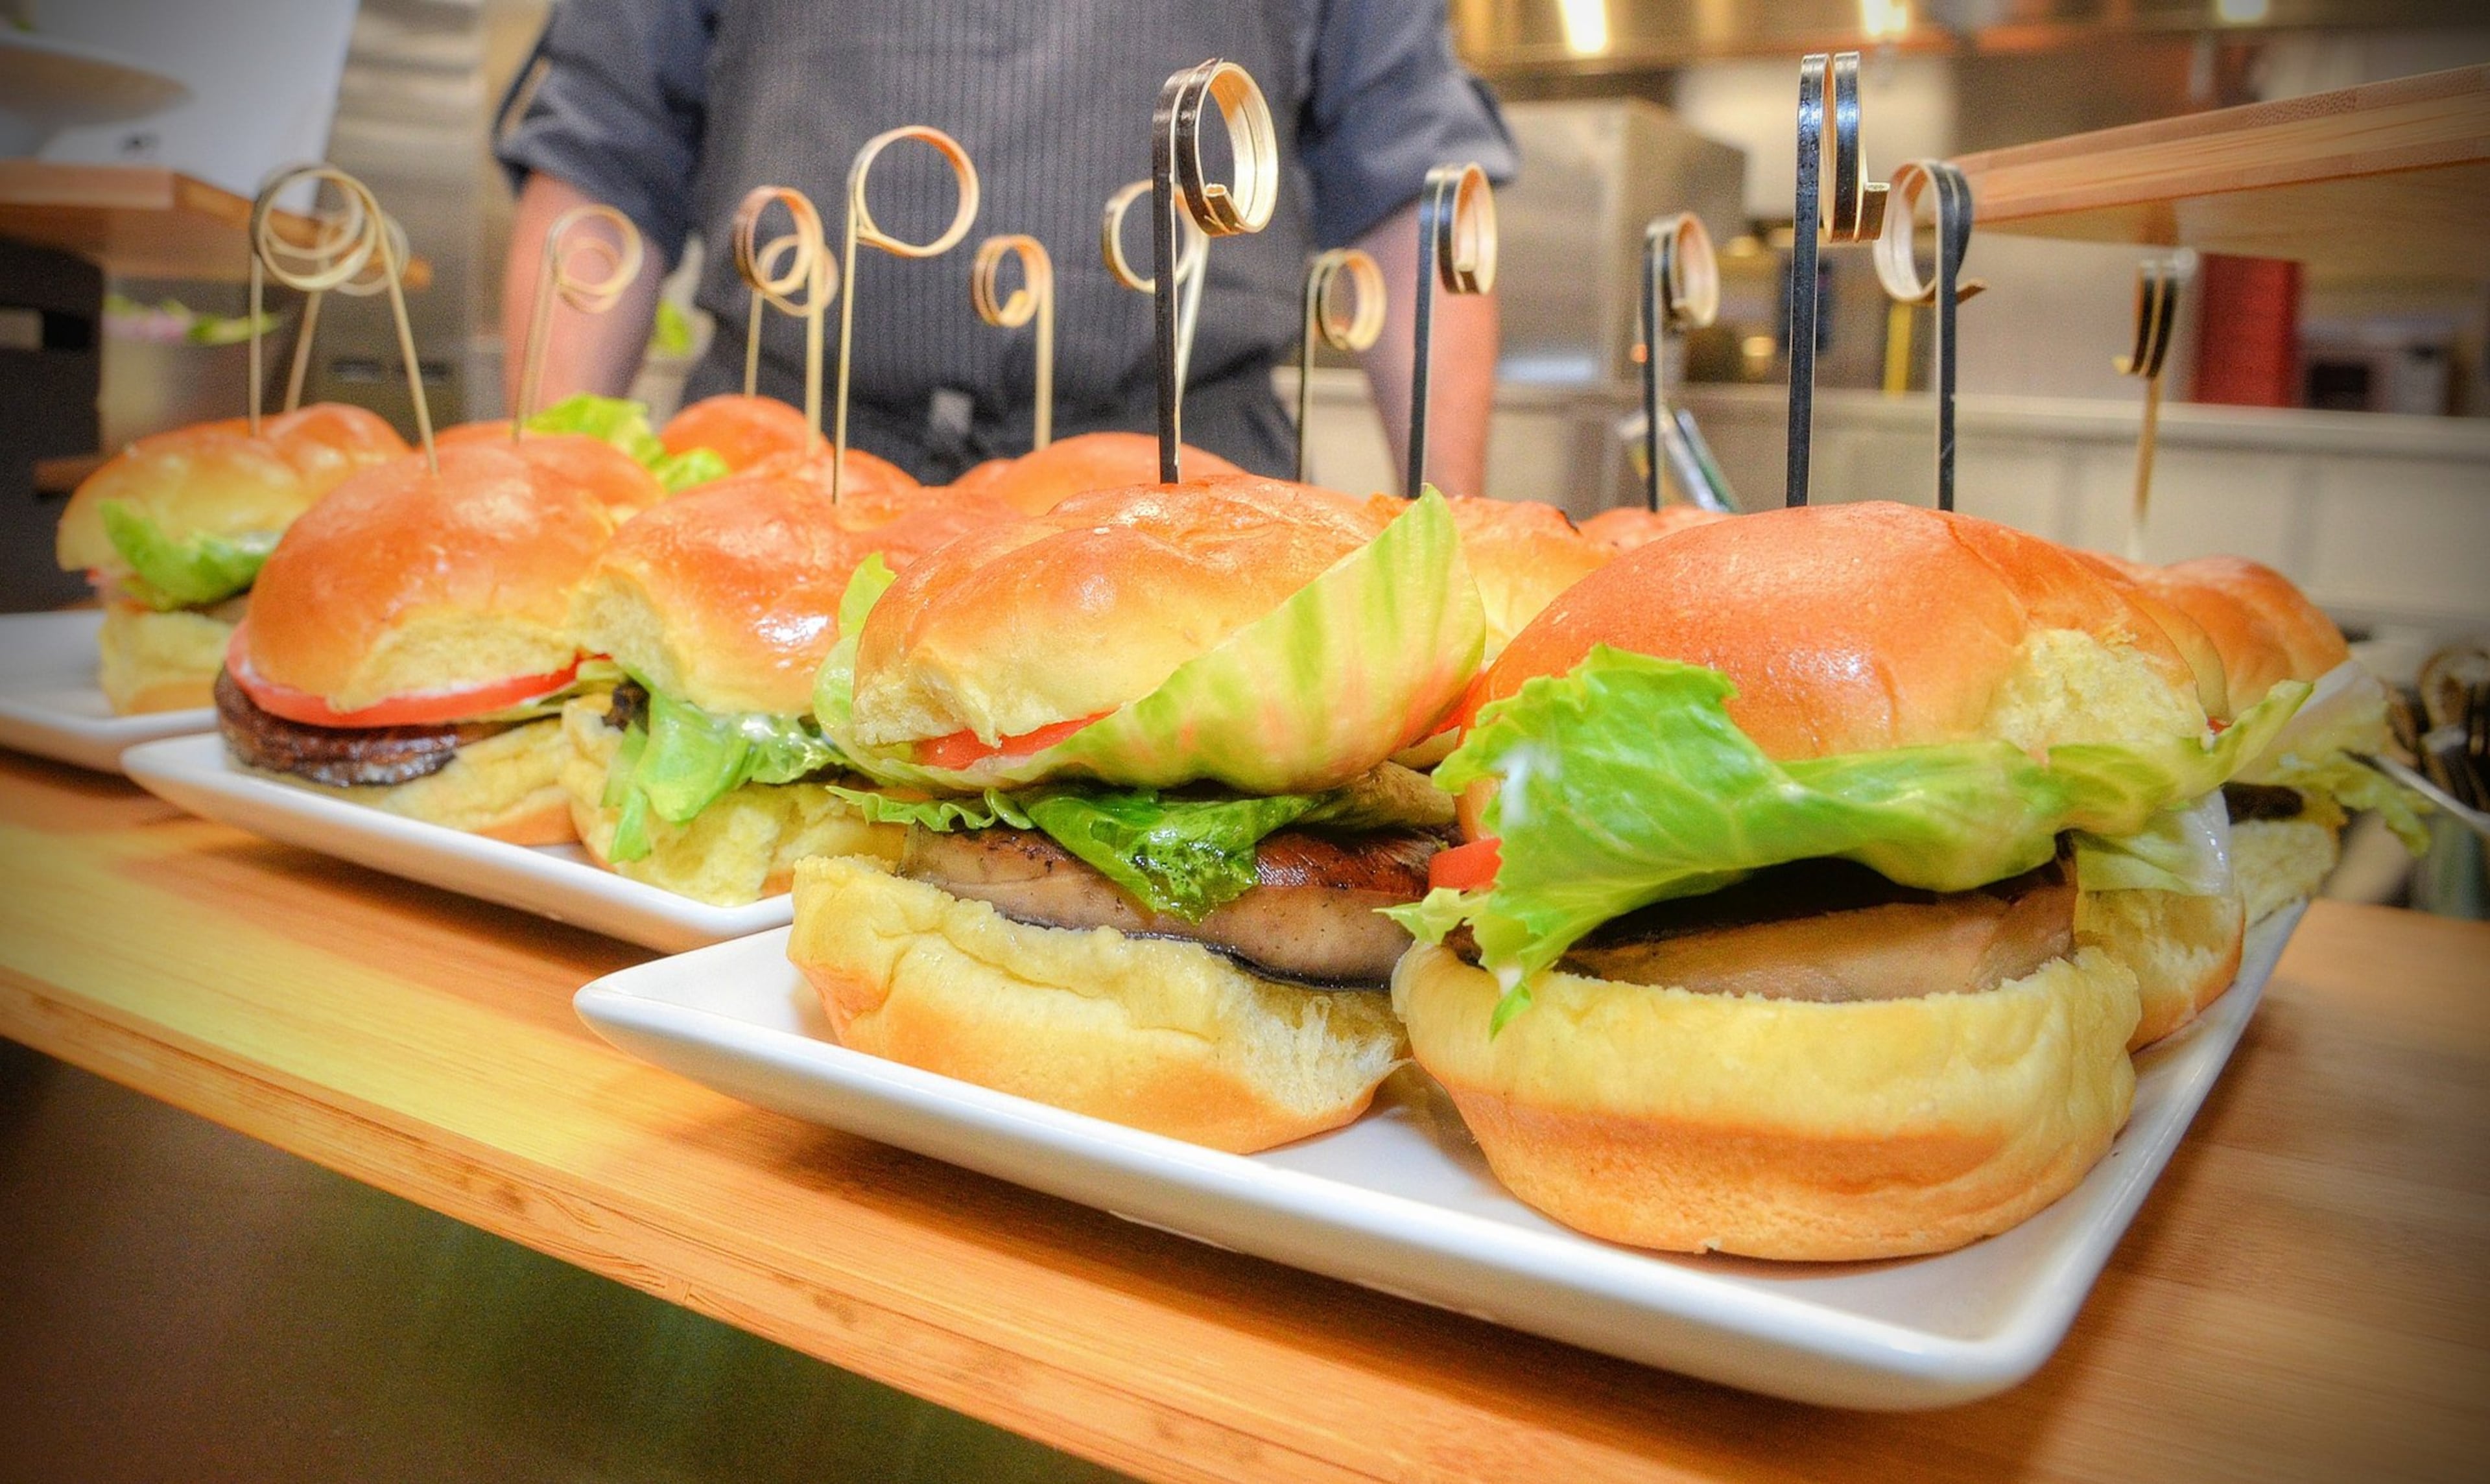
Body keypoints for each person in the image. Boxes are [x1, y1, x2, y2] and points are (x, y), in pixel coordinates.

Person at [493, 1, 1516, 493]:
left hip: (1188, 487)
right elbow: (600, 170)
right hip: (773, 483)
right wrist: (544, 510)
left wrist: (1451, 534)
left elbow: (1415, 193)